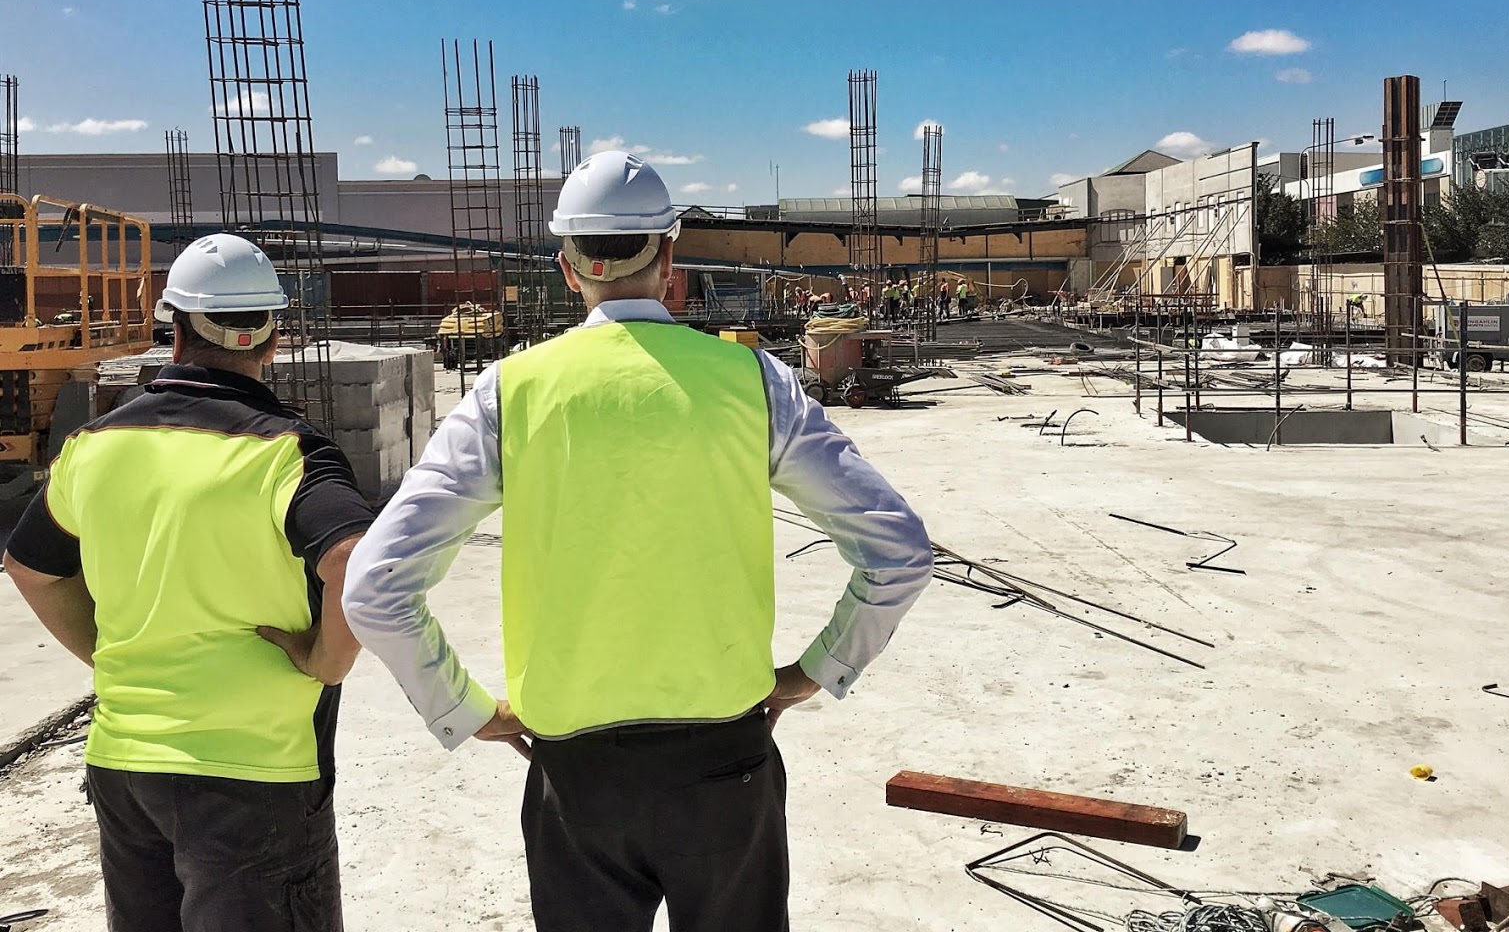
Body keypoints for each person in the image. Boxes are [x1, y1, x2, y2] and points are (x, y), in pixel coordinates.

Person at [343, 151, 932, 932]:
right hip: (723, 761)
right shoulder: (750, 381)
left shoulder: (511, 392)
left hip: (573, 772)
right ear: (670, 257)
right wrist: (816, 670)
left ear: (567, 268)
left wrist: (461, 707)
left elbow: (375, 587)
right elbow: (899, 549)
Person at [3, 233, 373, 932]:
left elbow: (29, 567)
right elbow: (353, 559)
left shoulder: (92, 449)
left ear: (172, 330)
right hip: (253, 776)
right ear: (270, 338)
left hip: (126, 768)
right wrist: (325, 659)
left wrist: (117, 651)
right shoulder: (286, 452)